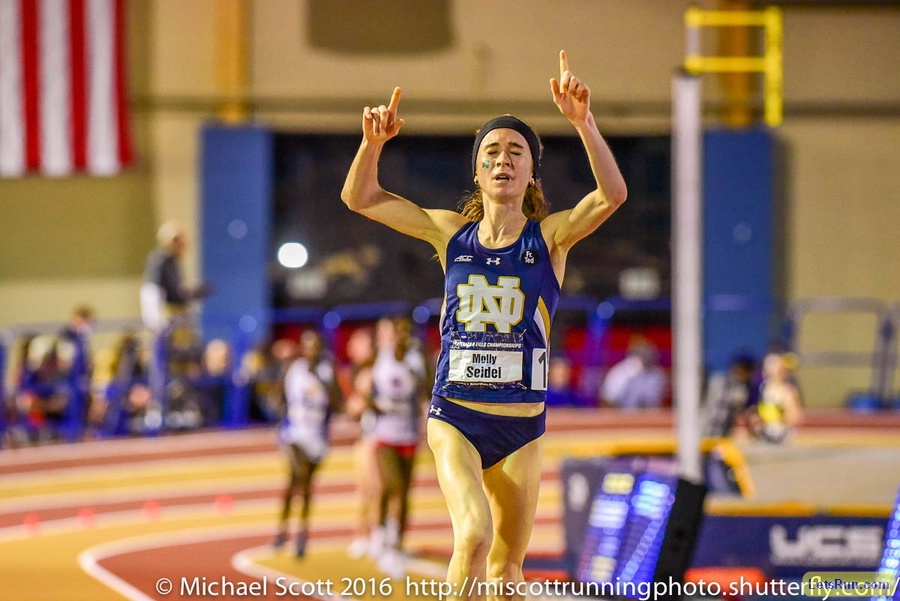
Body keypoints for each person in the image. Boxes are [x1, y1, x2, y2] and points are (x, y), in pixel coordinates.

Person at [341, 50, 627, 599]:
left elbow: (611, 196)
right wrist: (372, 144)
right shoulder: (450, 234)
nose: (503, 160)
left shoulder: (549, 239)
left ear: (529, 172)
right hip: (457, 415)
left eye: (515, 152)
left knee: (506, 572)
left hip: (522, 425)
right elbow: (360, 198)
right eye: (492, 152)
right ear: (478, 169)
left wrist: (583, 123)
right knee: (471, 534)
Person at [356, 316, 427, 578]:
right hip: (384, 434)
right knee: (390, 485)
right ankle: (381, 537)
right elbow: (363, 388)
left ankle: (396, 544)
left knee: (404, 492)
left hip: (408, 434)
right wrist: (371, 405)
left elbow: (427, 391)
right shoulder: (379, 359)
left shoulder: (415, 360)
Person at [274, 330, 342, 557]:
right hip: (294, 434)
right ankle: (289, 533)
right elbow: (278, 397)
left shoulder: (327, 370)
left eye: (315, 346)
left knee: (302, 485)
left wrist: (321, 381)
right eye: (307, 346)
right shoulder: (294, 369)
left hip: (317, 437)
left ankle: (297, 531)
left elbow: (338, 403)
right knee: (299, 475)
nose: (310, 351)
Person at [600, 338, 668, 410]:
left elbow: (661, 400)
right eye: (642, 353)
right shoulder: (620, 372)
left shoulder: (657, 374)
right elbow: (608, 399)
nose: (646, 357)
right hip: (625, 416)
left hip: (652, 417)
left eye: (647, 354)